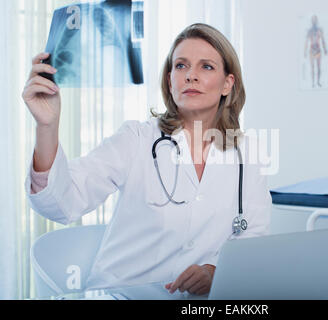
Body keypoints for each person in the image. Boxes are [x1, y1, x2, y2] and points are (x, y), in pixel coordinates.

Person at [22, 23, 272, 296]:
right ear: (169, 81)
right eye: (180, 66)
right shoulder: (136, 139)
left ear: (228, 83)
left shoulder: (247, 153)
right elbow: (63, 202)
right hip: (121, 295)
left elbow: (253, 236)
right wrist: (47, 127)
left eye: (206, 67)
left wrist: (215, 270)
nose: (190, 76)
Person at [304, 15, 328, 88]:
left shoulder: (319, 30)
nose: (314, 21)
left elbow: (323, 40)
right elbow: (306, 42)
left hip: (318, 49)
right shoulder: (309, 31)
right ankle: (313, 83)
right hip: (311, 50)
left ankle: (318, 82)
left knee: (318, 67)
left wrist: (325, 49)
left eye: (315, 20)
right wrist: (304, 51)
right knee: (312, 68)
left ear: (317, 21)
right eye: (313, 20)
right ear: (311, 21)